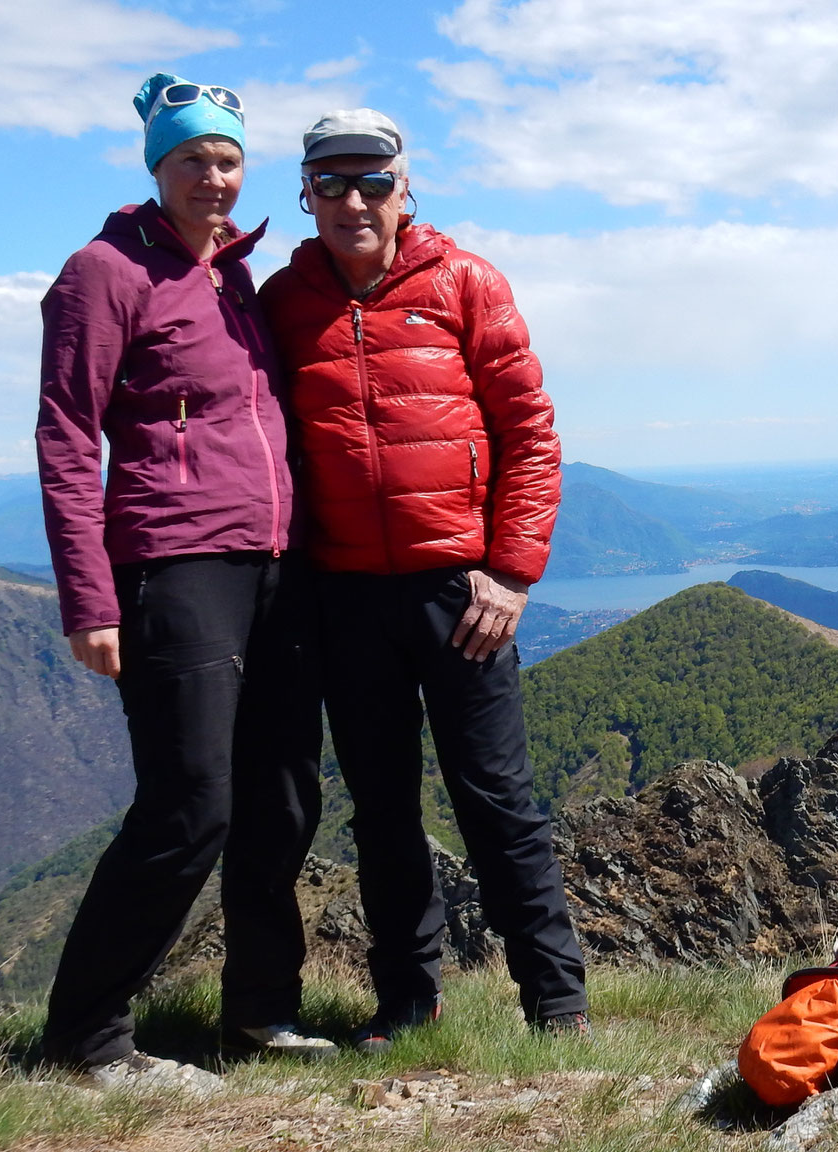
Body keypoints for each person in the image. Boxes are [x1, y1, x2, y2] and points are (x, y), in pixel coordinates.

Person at [260, 109, 588, 1051]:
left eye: (373, 182)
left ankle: (557, 1007)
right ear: (307, 197)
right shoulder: (287, 300)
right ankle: (407, 1003)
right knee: (383, 810)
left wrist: (512, 571)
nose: (353, 199)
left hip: (462, 592)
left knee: (497, 799)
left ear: (407, 191)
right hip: (345, 593)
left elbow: (529, 433)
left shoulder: (466, 282)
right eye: (331, 183)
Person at [34, 72, 332, 1075]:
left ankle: (257, 1013)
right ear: (156, 166)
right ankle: (85, 1040)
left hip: (275, 569)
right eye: (192, 159)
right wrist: (89, 599)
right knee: (187, 805)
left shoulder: (229, 274)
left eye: (227, 158)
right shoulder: (103, 272)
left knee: (282, 798)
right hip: (174, 562)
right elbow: (68, 439)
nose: (212, 176)